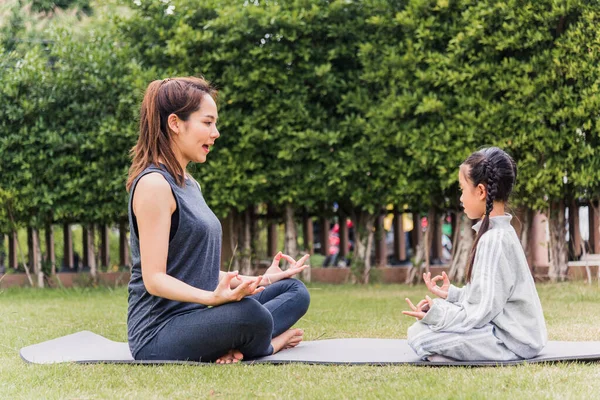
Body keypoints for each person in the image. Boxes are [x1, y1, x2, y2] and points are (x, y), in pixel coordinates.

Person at [125, 77, 311, 364]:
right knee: (251, 314)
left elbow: (198, 271)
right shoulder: (154, 185)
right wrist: (214, 299)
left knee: (294, 291)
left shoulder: (190, 184)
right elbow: (154, 279)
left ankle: (239, 341)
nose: (216, 133)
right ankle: (268, 345)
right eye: (207, 123)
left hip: (198, 315)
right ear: (175, 123)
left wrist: (264, 278)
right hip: (158, 332)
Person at [402, 147, 547, 361]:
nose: (460, 198)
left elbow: (479, 314)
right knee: (428, 323)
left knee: (420, 336)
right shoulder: (499, 233)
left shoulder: (493, 240)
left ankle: (450, 354)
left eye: (462, 189)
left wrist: (437, 315)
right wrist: (451, 295)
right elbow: (489, 298)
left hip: (512, 340)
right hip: (515, 334)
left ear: (480, 191)